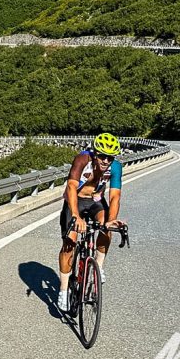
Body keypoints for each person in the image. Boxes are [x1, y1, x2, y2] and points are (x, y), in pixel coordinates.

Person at [56, 133, 125, 313]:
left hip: (95, 202)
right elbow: (71, 187)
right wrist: (76, 217)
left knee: (106, 226)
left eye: (110, 157)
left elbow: (115, 196)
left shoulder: (115, 167)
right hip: (75, 200)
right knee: (69, 243)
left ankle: (98, 266)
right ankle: (64, 289)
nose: (105, 160)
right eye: (102, 155)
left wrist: (111, 221)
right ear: (95, 153)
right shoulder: (82, 159)